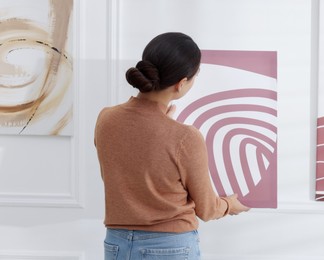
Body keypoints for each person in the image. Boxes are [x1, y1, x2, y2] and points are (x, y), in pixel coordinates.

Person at [94, 32, 250, 260]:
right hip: (170, 247)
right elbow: (207, 209)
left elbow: (127, 171)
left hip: (116, 245)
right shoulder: (185, 137)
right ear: (181, 83)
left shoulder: (105, 119)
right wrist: (230, 205)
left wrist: (161, 123)